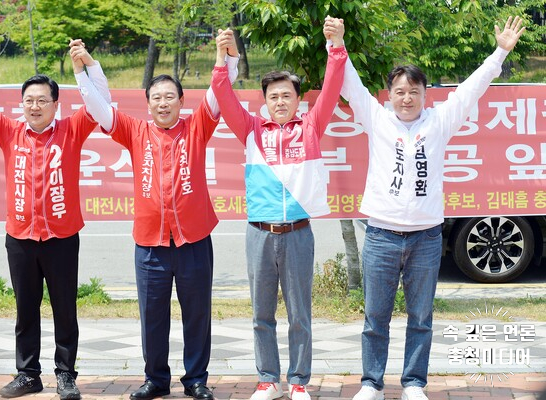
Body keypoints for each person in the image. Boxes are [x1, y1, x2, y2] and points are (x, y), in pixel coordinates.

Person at [334, 16, 526, 400]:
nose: (407, 98)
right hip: (381, 236)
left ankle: (413, 383)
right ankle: (371, 383)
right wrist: (335, 45)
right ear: (389, 94)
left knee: (421, 317)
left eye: (414, 91)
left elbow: (473, 89)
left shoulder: (439, 122)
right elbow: (350, 85)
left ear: (425, 95)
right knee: (375, 318)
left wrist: (500, 52)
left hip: (424, 237)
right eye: (400, 91)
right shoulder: (377, 119)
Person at [70, 30, 240, 400]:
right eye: (156, 98)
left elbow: (220, 92)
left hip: (193, 239)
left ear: (181, 101)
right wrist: (83, 71)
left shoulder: (197, 126)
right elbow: (99, 108)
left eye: (169, 97)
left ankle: (196, 379)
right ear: (146, 103)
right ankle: (156, 380)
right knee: (152, 317)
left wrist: (225, 56)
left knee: (198, 314)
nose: (163, 103)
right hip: (150, 243)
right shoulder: (134, 130)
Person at [0, 33, 111, 400]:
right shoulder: (9, 132)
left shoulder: (72, 129)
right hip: (21, 237)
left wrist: (87, 67)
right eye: (29, 100)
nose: (35, 106)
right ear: (21, 105)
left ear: (56, 104)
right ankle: (28, 374)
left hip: (61, 236)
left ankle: (65, 375)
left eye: (43, 100)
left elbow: (101, 102)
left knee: (64, 308)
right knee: (25, 308)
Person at [210, 18, 347, 400]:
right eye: (273, 96)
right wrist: (223, 59)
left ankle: (299, 381)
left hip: (299, 233)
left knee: (300, 315)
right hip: (259, 233)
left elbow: (333, 87)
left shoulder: (312, 127)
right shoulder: (251, 130)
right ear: (265, 102)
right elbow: (222, 94)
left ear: (298, 99)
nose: (280, 101)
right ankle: (268, 380)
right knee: (261, 315)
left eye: (287, 95)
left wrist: (335, 45)